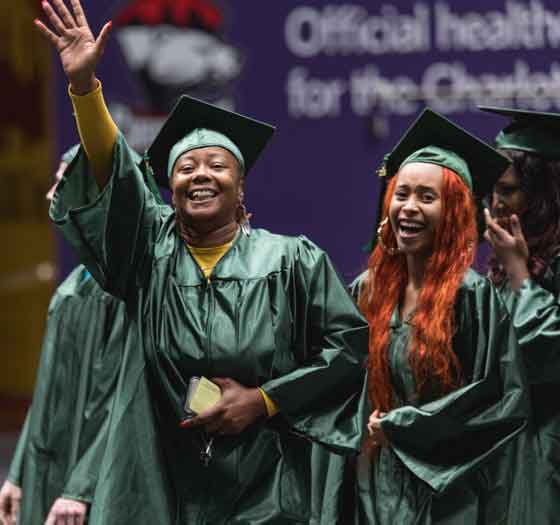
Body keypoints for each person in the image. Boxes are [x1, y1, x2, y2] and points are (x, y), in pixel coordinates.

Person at [35, 1, 369, 523]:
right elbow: (117, 177)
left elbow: (347, 349)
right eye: (185, 167)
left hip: (267, 484)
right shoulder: (150, 255)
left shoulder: (292, 261)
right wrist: (85, 88)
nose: (200, 174)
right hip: (162, 479)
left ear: (242, 190)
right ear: (169, 189)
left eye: (217, 164)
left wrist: (265, 400)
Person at [351, 109, 530, 524]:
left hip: (448, 491)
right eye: (402, 193)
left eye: (427, 198)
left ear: (452, 213)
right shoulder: (367, 290)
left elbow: (496, 402)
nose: (409, 208)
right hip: (374, 487)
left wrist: (404, 425)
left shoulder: (472, 297)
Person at [481, 106, 560, 524]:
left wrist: (517, 272)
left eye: (508, 190)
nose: (495, 203)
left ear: (542, 194)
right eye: (492, 189)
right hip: (507, 457)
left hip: (547, 456)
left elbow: (549, 355)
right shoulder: (498, 267)